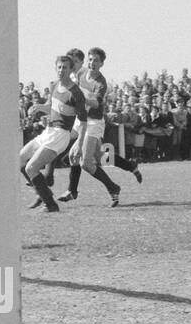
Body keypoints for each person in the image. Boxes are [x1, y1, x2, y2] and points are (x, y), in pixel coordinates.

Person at [20, 55, 85, 214]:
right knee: (20, 159)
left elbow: (83, 121)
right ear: (56, 68)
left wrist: (79, 143)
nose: (61, 70)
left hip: (60, 135)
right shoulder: (55, 85)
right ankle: (42, 194)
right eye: (59, 67)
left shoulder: (75, 93)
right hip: (49, 131)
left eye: (65, 67)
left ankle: (51, 205)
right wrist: (39, 107)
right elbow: (52, 107)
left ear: (71, 70)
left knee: (31, 168)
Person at [58, 47, 123, 206]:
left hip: (94, 122)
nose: (92, 62)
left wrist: (81, 97)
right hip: (81, 120)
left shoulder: (101, 83)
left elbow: (95, 103)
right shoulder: (81, 73)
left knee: (86, 163)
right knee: (74, 156)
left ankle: (113, 187)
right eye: (90, 59)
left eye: (96, 60)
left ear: (101, 64)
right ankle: (72, 191)